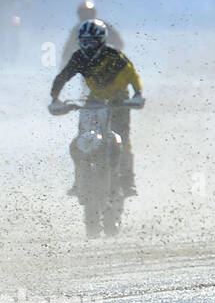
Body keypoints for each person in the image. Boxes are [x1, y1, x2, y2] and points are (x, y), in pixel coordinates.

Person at [49, 19, 145, 197]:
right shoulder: (78, 57)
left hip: (119, 101)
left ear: (101, 40)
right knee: (81, 137)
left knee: (123, 139)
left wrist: (137, 94)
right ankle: (79, 181)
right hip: (95, 99)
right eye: (84, 41)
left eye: (91, 41)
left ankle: (127, 182)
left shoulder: (115, 56)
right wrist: (55, 98)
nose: (88, 45)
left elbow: (132, 75)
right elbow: (63, 76)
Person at [61, 0, 124, 64]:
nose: (86, 15)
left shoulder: (103, 26)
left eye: (88, 12)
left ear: (93, 12)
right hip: (87, 66)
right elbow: (67, 51)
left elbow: (119, 44)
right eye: (84, 12)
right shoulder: (77, 30)